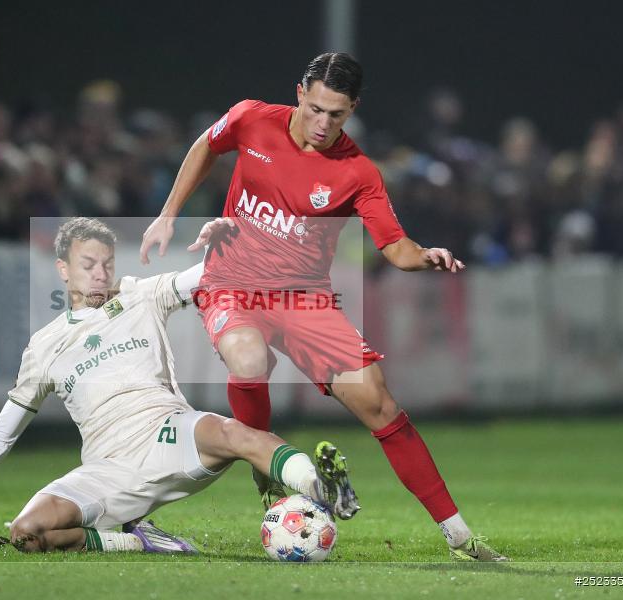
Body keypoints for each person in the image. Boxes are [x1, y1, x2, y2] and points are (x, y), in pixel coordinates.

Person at [139, 52, 507, 561]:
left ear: (352, 108)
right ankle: (269, 476)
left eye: (336, 114)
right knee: (247, 361)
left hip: (303, 299)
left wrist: (425, 257)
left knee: (379, 403)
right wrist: (167, 215)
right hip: (232, 284)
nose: (322, 123)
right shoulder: (251, 118)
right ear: (299, 93)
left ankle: (460, 537)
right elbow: (207, 144)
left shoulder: (357, 172)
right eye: (315, 108)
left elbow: (395, 248)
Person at [0, 217, 356, 554]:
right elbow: (2, 432)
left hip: (167, 432)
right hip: (106, 468)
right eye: (88, 263)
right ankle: (134, 541)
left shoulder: (140, 295)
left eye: (106, 263)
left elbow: (209, 276)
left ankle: (320, 489)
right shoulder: (44, 347)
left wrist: (230, 242)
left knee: (233, 433)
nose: (100, 273)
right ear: (62, 270)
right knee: (28, 532)